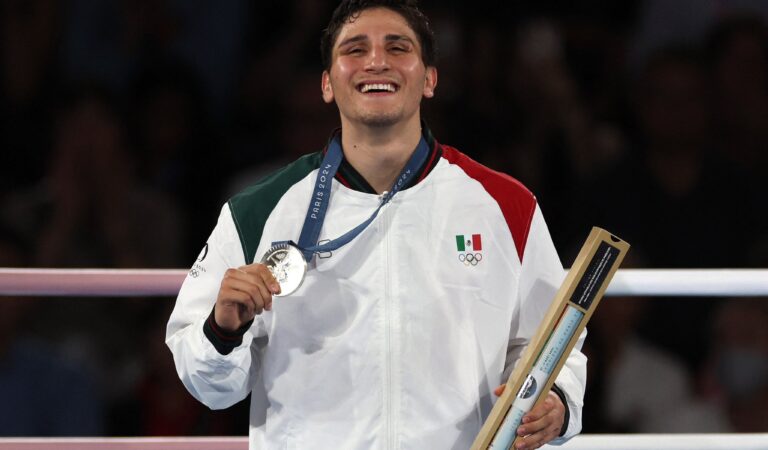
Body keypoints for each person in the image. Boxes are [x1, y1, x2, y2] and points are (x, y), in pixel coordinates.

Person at [166, 1, 586, 448]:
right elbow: (209, 388)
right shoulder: (258, 211)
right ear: (327, 83)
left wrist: (557, 402)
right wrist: (222, 330)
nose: (377, 61)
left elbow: (553, 345)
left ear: (430, 79)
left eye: (398, 47)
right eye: (355, 49)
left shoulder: (507, 204)